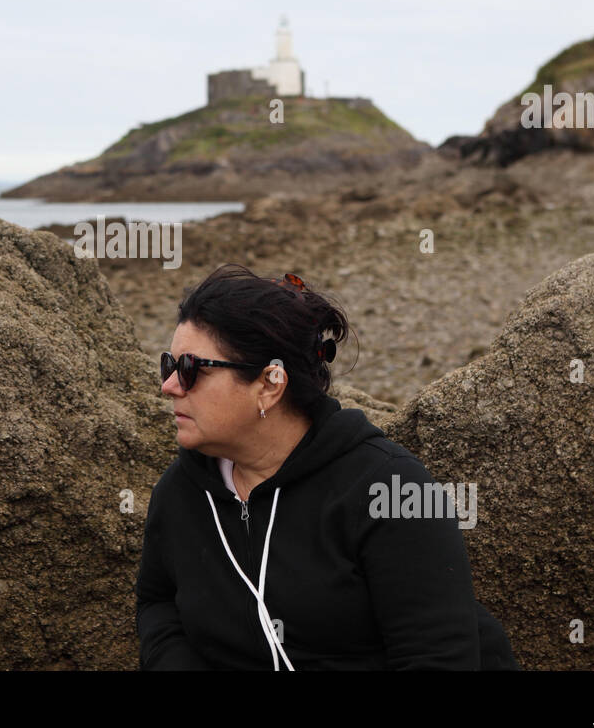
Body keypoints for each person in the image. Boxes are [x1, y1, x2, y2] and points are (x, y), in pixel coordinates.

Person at [135, 264, 519, 670]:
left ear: (270, 382)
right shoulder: (181, 492)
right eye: (169, 365)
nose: (169, 385)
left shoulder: (389, 489)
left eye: (192, 369)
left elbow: (438, 657)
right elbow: (158, 604)